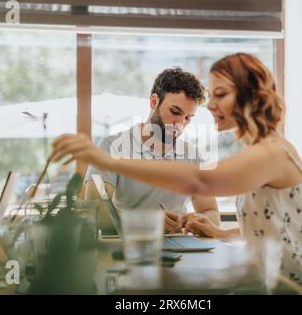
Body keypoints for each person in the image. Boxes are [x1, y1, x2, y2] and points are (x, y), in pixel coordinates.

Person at [51, 53, 302, 286]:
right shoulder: (261, 150)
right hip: (275, 282)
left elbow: (199, 183)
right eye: (177, 112)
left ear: (249, 98)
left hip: (300, 288)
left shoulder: (270, 153)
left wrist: (109, 162)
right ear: (153, 102)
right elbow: (268, 228)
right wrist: (220, 234)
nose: (210, 106)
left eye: (220, 94)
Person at [85, 67, 220, 234]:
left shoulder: (193, 155)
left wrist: (201, 220)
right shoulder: (112, 146)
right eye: (175, 112)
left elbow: (211, 211)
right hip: (127, 248)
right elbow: (95, 212)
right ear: (154, 101)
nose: (180, 124)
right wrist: (146, 223)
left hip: (180, 249)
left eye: (187, 118)